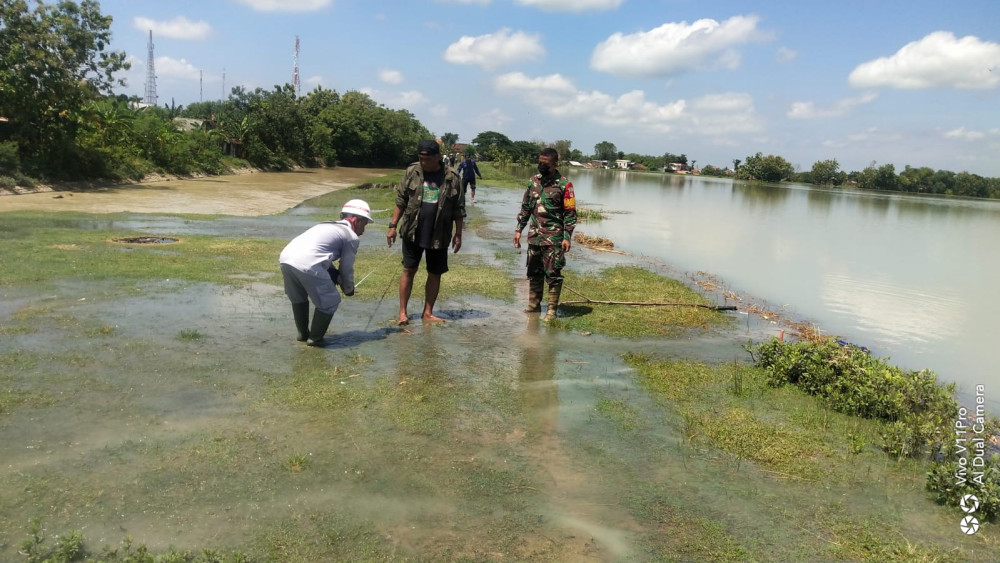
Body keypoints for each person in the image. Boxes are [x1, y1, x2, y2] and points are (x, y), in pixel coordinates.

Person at [387, 139, 465, 325]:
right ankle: (403, 313)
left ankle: (428, 312)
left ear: (438, 157)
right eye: (420, 158)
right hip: (413, 230)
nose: (423, 162)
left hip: (440, 233)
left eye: (427, 159)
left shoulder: (452, 177)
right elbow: (401, 200)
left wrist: (458, 234)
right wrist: (392, 226)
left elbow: (458, 209)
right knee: (408, 269)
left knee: (434, 272)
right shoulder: (412, 171)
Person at [279, 199, 372, 346]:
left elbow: (320, 252)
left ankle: (302, 334)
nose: (363, 231)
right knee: (330, 301)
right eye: (364, 224)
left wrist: (334, 274)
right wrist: (348, 288)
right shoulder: (351, 236)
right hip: (307, 262)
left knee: (298, 297)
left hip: (286, 258)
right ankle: (315, 340)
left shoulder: (325, 225)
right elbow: (347, 268)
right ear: (355, 220)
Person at [514, 148, 577, 321]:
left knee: (553, 274)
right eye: (540, 162)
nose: (541, 165)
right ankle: (534, 305)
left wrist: (567, 236)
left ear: (555, 164)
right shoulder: (533, 182)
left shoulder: (565, 185)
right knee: (534, 271)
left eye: (545, 163)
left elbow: (570, 214)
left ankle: (551, 311)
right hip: (534, 236)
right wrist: (519, 229)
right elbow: (526, 208)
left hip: (554, 238)